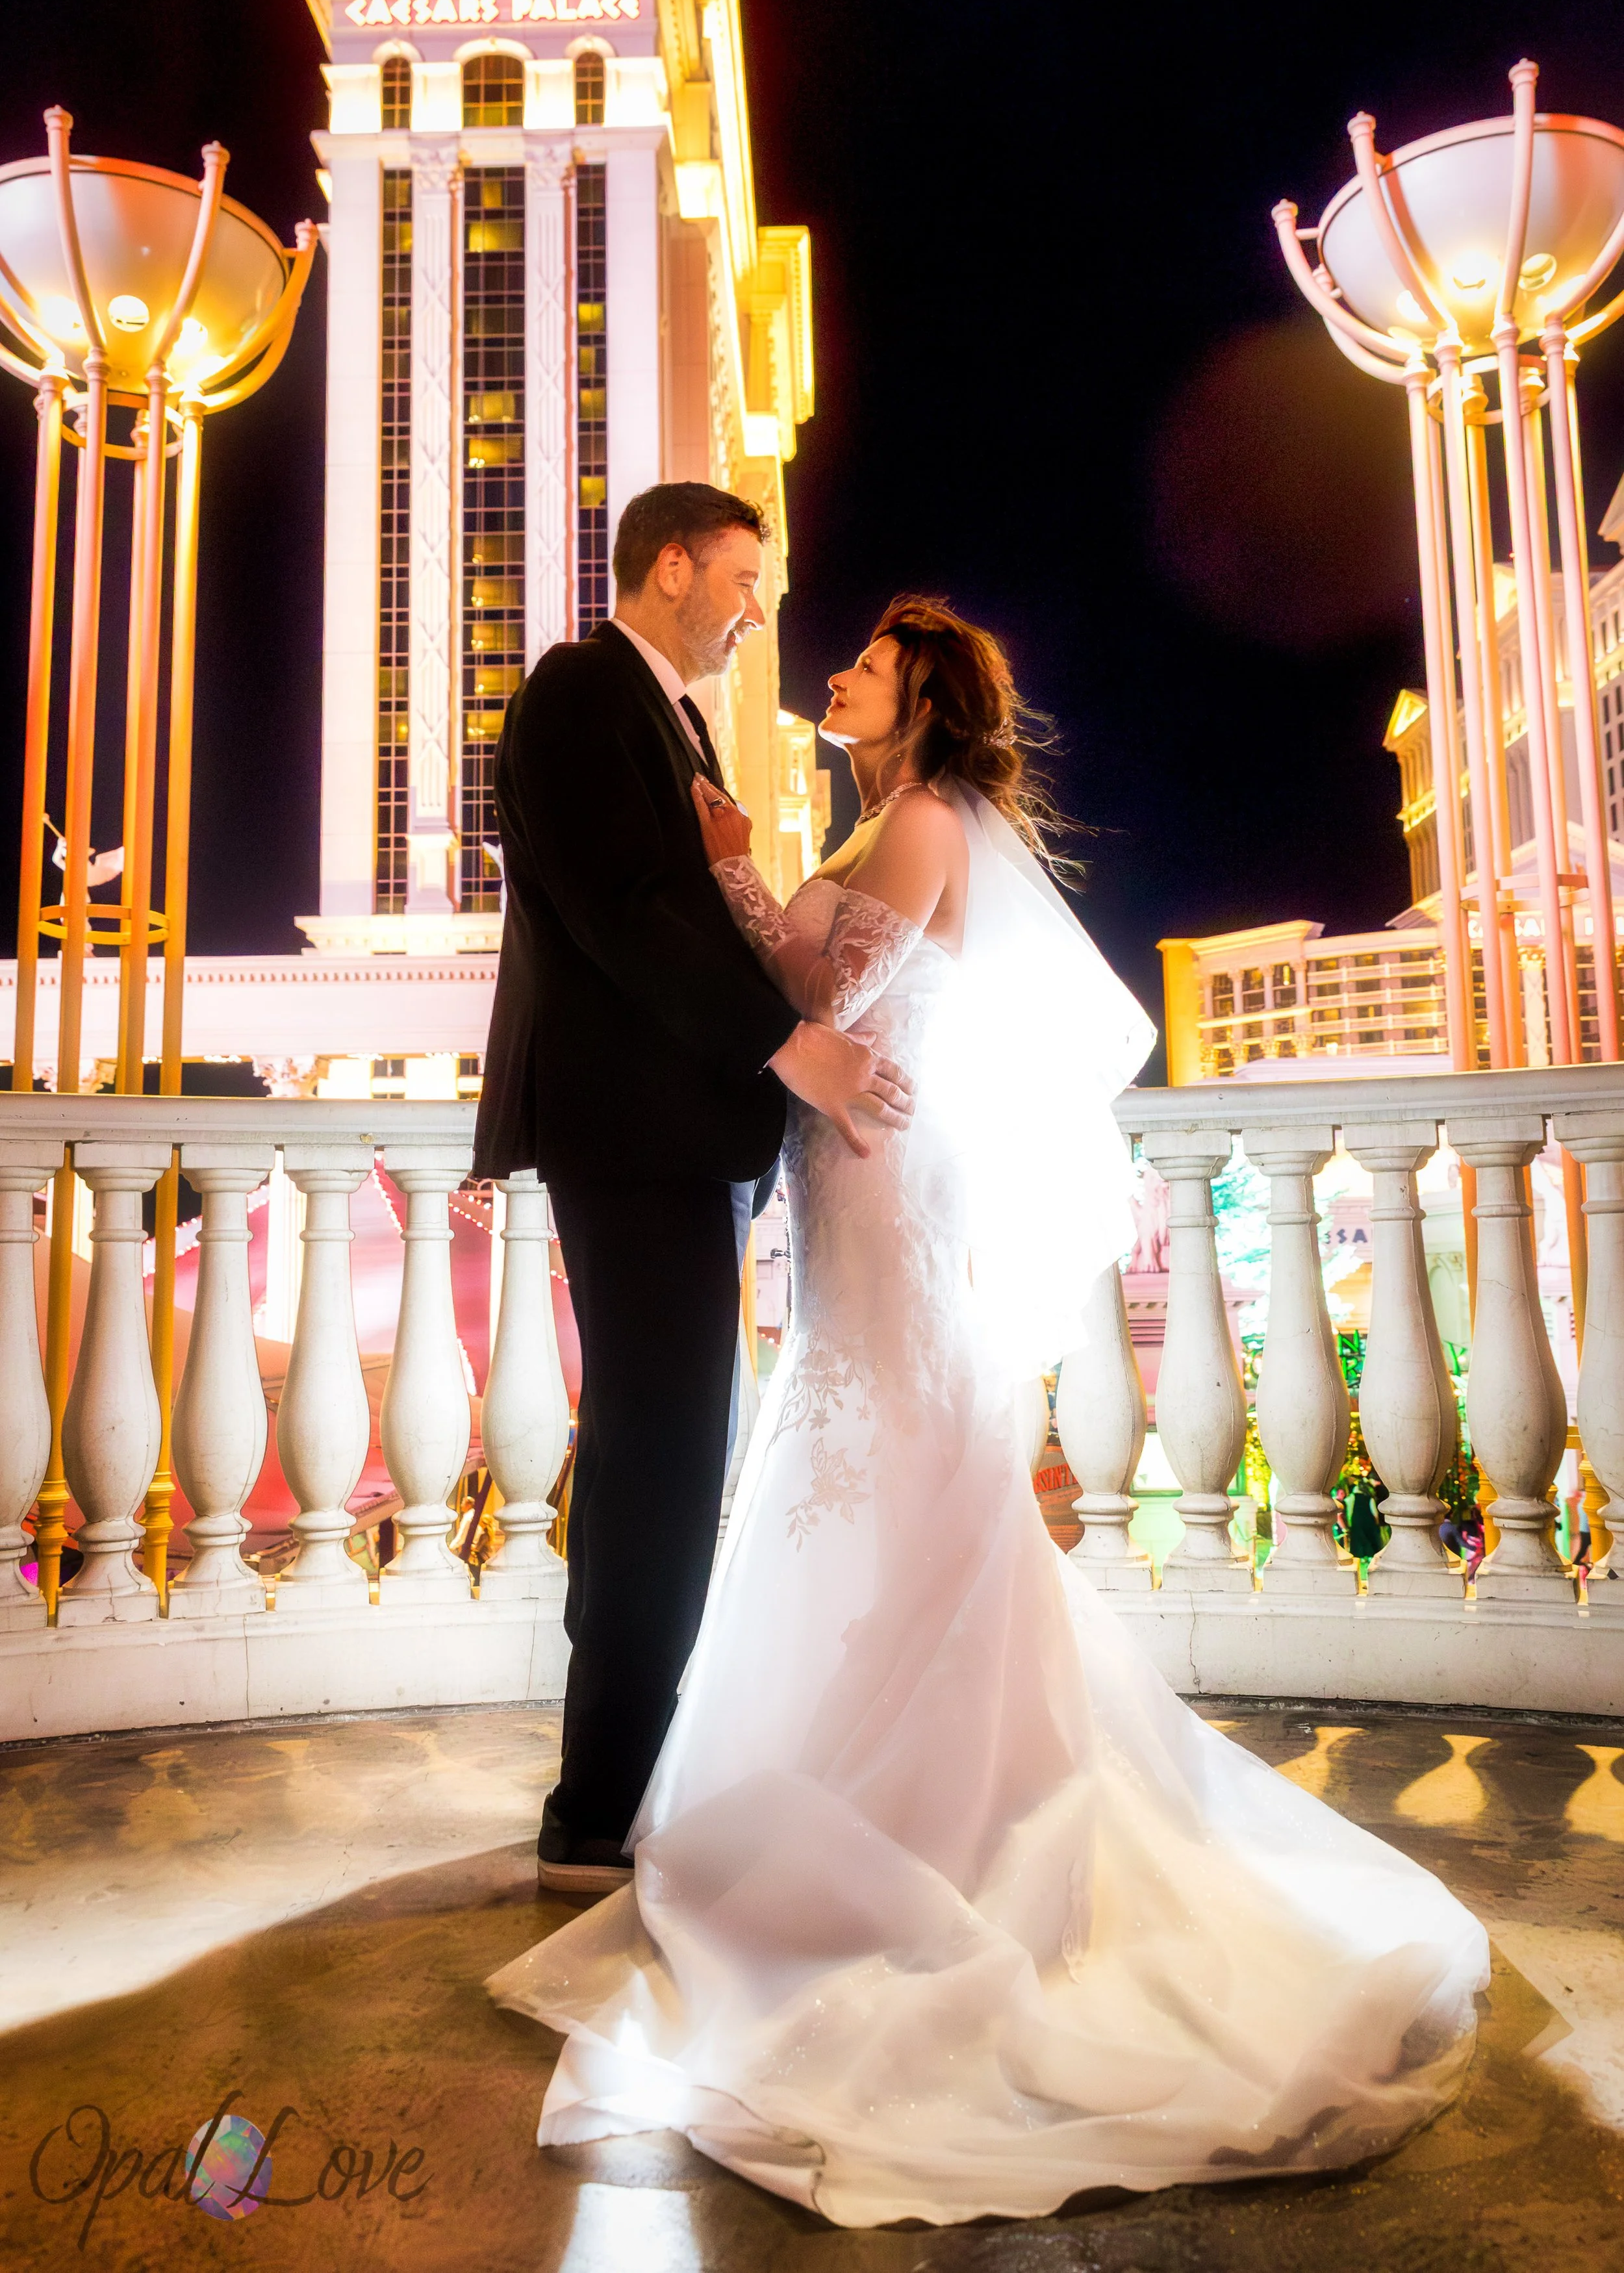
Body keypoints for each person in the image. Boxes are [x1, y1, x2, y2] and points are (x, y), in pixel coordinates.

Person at [489, 598, 1489, 2226]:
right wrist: (747, 861)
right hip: (851, 1177)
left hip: (885, 1185)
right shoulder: (888, 817)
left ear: (919, 700)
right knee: (854, 1456)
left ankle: (940, 1809)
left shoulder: (924, 818)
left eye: (863, 668)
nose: (833, 672)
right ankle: (863, 1770)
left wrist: (729, 858)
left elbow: (815, 976)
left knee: (892, 1453)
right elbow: (807, 994)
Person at [472, 483, 912, 1896]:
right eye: (739, 578)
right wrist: (797, 1049)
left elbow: (692, 909)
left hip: (679, 1142)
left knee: (652, 1466)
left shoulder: (669, 717)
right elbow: (621, 917)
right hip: (636, 1140)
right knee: (662, 1470)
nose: (752, 609)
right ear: (670, 567)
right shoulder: (579, 692)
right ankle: (597, 1814)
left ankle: (615, 1779)